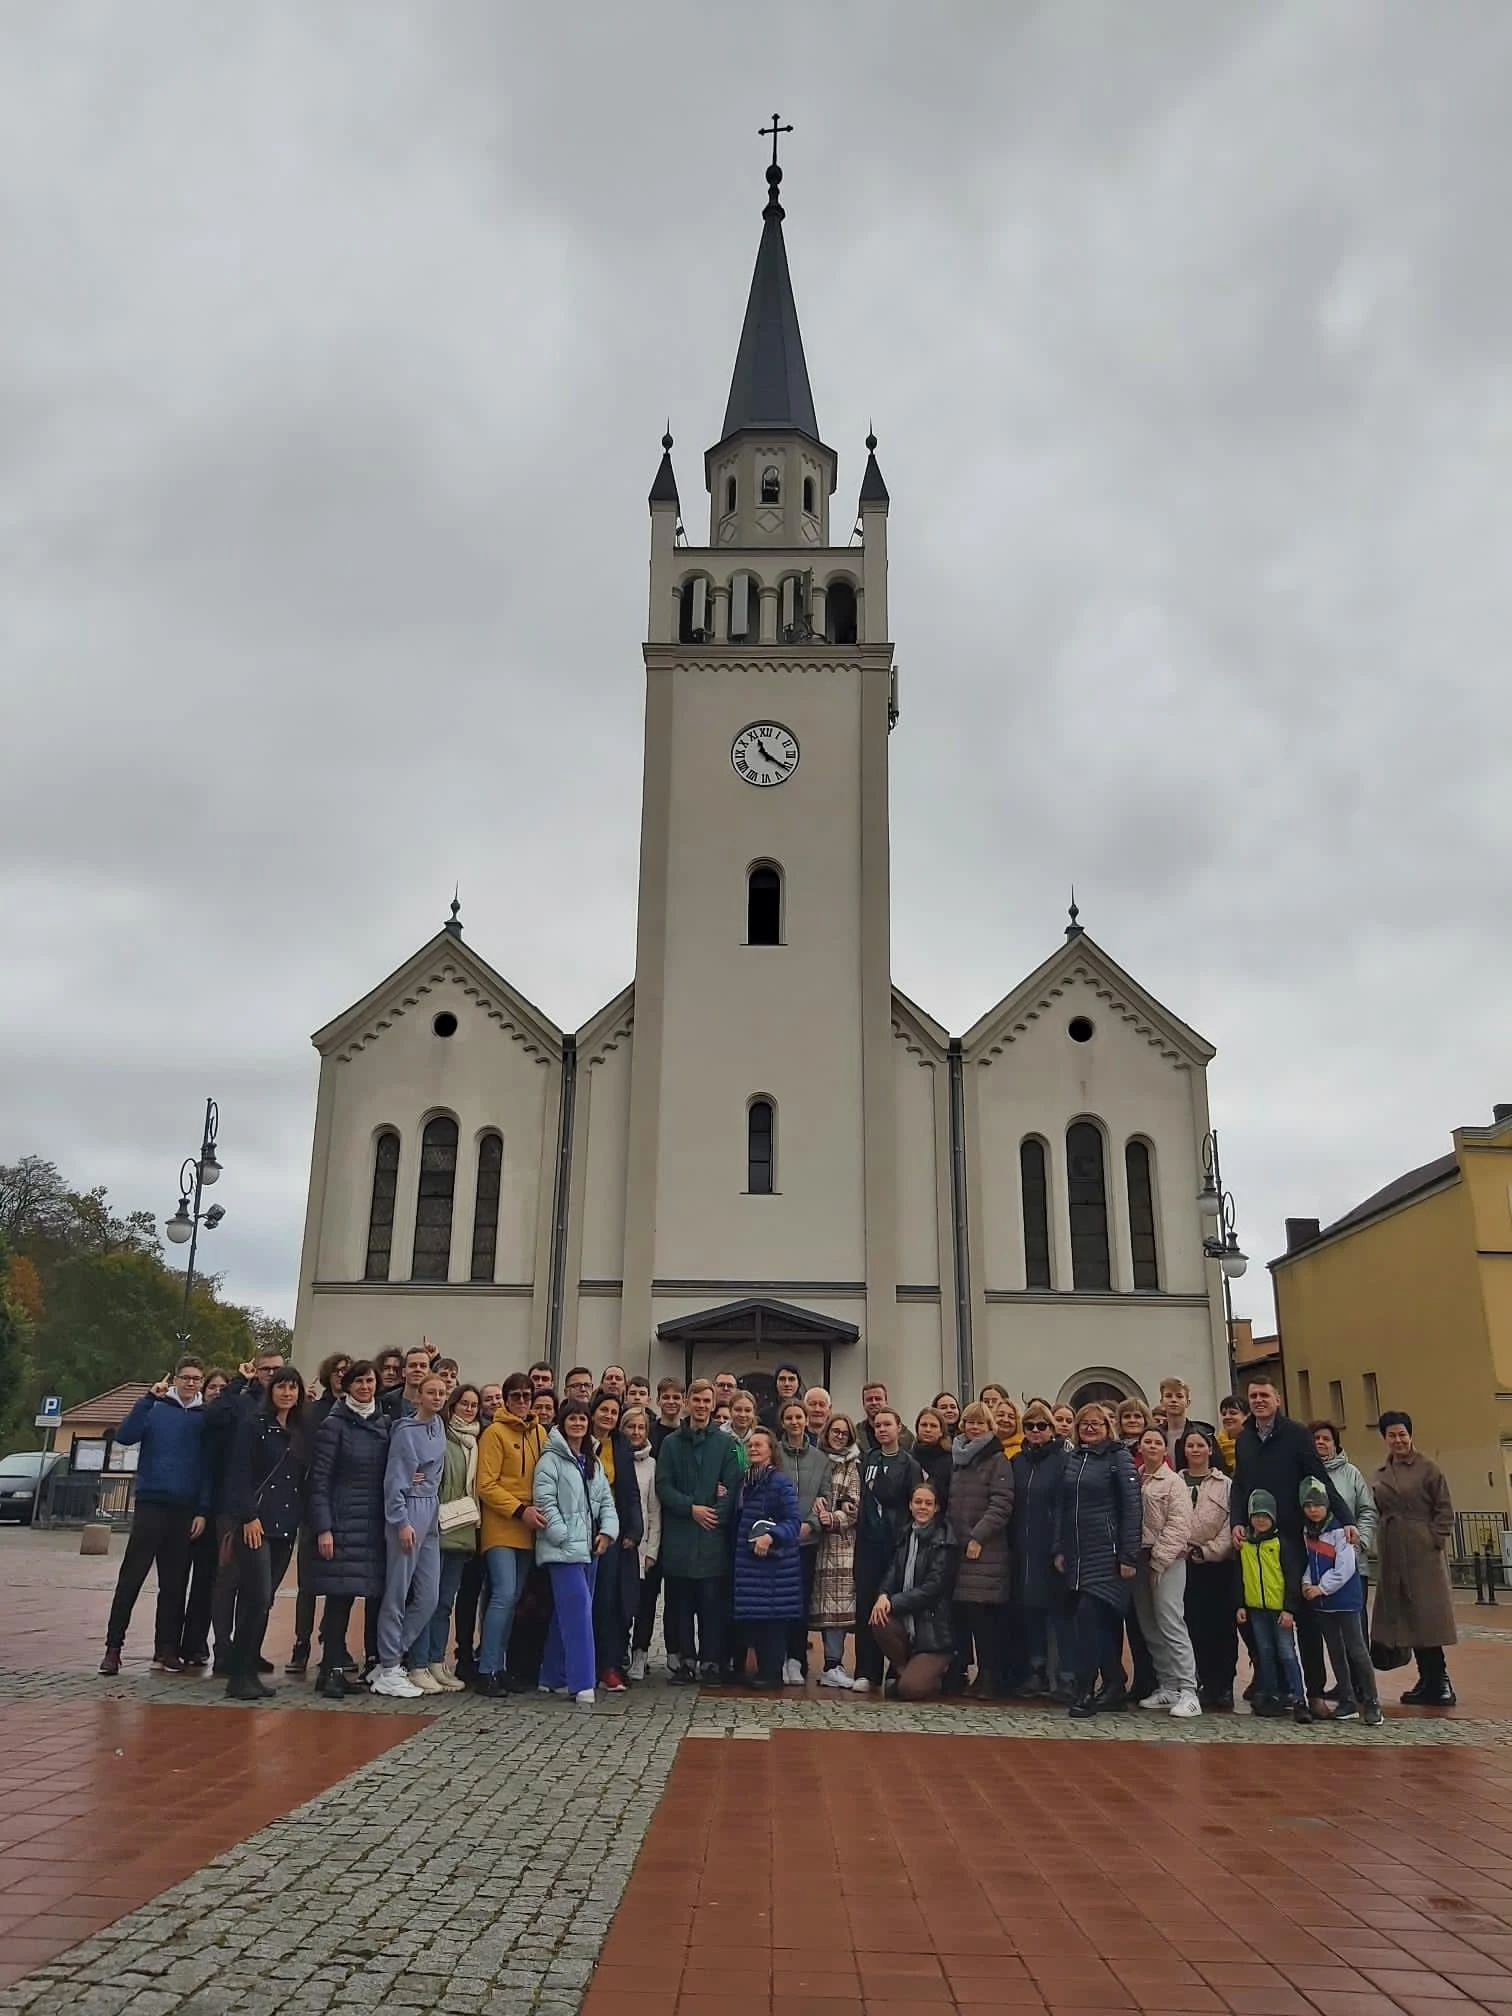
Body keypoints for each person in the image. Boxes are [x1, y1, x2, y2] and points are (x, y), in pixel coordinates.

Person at [1230, 1378, 1355, 1707]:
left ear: (1278, 1400)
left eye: (1264, 1396)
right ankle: (1277, 1688)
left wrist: (1346, 1520)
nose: (1258, 1401)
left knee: (1305, 1615)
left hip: (1294, 1537)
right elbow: (1240, 1485)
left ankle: (1314, 1692)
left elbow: (1320, 1478)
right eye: (1253, 1396)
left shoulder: (1296, 1434)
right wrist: (1237, 1522)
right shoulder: (1244, 1438)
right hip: (1259, 1541)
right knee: (1263, 1615)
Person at [99, 1359, 208, 1677]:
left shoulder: (204, 1417)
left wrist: (202, 1509)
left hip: (184, 1508)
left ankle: (167, 1648)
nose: (190, 1384)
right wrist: (147, 1399)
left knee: (174, 1585)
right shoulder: (156, 1407)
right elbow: (126, 1436)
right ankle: (113, 1648)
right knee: (131, 1578)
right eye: (185, 1378)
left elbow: (208, 1469)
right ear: (175, 1379)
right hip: (151, 1503)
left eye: (196, 1379)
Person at [222, 1367, 309, 1700]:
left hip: (285, 1526)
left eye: (293, 1388)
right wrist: (247, 1515)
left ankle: (248, 1671)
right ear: (271, 1391)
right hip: (256, 1523)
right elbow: (239, 1473)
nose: (287, 1393)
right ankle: (238, 1673)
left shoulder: (300, 1431)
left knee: (264, 1600)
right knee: (255, 1597)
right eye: (281, 1387)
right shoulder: (253, 1426)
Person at [306, 1358, 390, 1698]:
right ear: (348, 1386)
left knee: (364, 1595)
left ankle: (345, 1668)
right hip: (341, 1521)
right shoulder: (333, 1425)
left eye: (370, 1382)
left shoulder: (384, 1424)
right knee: (338, 1598)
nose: (365, 1387)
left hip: (371, 1522)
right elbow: (320, 1481)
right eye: (359, 1382)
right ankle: (330, 1670)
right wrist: (323, 1527)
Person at [1053, 1403, 1142, 1718]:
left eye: (1097, 1423)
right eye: (1084, 1424)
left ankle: (1084, 1690)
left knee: (1090, 1619)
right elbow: (1063, 1508)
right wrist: (1058, 1548)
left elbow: (1132, 1509)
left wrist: (1129, 1555)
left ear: (1108, 1426)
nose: (1090, 1428)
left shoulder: (1118, 1458)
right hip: (1078, 1553)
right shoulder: (1074, 1458)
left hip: (1108, 1553)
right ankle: (1114, 1683)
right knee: (1100, 1623)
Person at [533, 1393, 618, 1706]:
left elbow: (605, 1501)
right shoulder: (550, 1461)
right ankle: (582, 1682)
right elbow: (545, 1503)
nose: (579, 1423)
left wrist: (607, 1532)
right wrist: (563, 1536)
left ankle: (551, 1675)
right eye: (573, 1418)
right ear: (562, 1422)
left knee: (566, 1613)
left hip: (590, 1550)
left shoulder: (592, 1461)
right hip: (563, 1551)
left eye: (583, 1418)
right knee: (580, 1613)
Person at [656, 1378, 743, 1683]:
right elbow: (663, 1486)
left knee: (711, 1607)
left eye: (707, 1401)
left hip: (711, 1539)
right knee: (680, 1605)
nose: (702, 1406)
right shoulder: (670, 1443)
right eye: (697, 1400)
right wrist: (691, 1508)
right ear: (688, 1403)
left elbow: (733, 1486)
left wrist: (715, 1515)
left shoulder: (726, 1443)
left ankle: (711, 1661)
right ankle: (685, 1662)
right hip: (680, 1536)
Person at [371, 1369, 448, 1698]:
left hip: (432, 1511)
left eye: (442, 1393)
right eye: (431, 1392)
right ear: (417, 1396)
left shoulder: (438, 1425)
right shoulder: (405, 1431)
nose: (438, 1398)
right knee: (398, 1590)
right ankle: (388, 1665)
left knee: (429, 1596)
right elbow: (395, 1480)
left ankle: (393, 1653)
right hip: (409, 1510)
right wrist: (401, 1522)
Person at [1371, 1410, 1457, 1706]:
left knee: (1427, 1618)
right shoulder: (1381, 1472)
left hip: (1422, 1554)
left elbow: (1444, 1509)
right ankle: (1427, 1679)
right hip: (1394, 1552)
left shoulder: (1428, 1468)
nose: (1398, 1440)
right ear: (1384, 1438)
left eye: (1402, 1434)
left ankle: (1441, 1681)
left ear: (1411, 1435)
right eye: (1392, 1435)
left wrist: (1433, 1539)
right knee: (1409, 1618)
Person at [474, 1372, 547, 1697]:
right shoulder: (494, 1433)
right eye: (515, 1396)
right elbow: (486, 1484)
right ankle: (486, 1668)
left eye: (525, 1396)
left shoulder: (540, 1433)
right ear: (505, 1399)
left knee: (514, 1597)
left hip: (530, 1526)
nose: (521, 1401)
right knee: (502, 1594)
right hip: (503, 1523)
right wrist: (519, 1509)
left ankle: (500, 1665)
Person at [406, 1382, 481, 1693]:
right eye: (464, 1403)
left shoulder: (474, 1441)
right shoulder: (439, 1434)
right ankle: (418, 1663)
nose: (469, 1409)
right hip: (436, 1523)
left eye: (474, 1405)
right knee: (427, 1598)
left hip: (462, 1527)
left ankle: (437, 1660)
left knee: (444, 1602)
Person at [1300, 1477, 1382, 1726]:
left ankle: (1371, 1701)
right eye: (1308, 1505)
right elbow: (1309, 1562)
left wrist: (1320, 1588)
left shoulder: (1340, 1530)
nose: (1313, 1510)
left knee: (1357, 1650)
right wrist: (1306, 1583)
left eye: (1318, 1505)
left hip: (1344, 1600)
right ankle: (1346, 1699)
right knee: (1335, 1651)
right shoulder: (1308, 1531)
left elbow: (1345, 1567)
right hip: (1323, 1603)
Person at [853, 1409, 923, 1693]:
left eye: (887, 1425)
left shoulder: (909, 1464)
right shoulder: (867, 1459)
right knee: (866, 1606)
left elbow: (915, 1502)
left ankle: (896, 1667)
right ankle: (866, 1671)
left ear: (899, 1428)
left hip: (895, 1544)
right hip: (868, 1542)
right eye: (877, 1425)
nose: (882, 1429)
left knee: (894, 1607)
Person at [1132, 1427, 1200, 1718]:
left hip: (1166, 1560)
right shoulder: (1134, 1478)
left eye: (1157, 1442)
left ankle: (1189, 1690)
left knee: (1171, 1622)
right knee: (1149, 1624)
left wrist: (1159, 1560)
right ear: (1139, 1446)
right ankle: (1168, 1685)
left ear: (1164, 1449)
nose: (1151, 1446)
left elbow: (1179, 1525)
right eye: (1147, 1441)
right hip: (1138, 1558)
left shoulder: (1174, 1482)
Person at [947, 1402, 1013, 1697]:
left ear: (990, 1428)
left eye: (980, 1424)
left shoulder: (997, 1459)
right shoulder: (960, 1457)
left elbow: (1001, 1504)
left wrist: (977, 1537)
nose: (974, 1428)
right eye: (970, 1422)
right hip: (960, 1547)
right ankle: (978, 1675)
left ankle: (991, 1676)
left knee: (985, 1618)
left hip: (985, 1550)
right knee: (970, 1617)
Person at [869, 1480, 958, 1700]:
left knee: (910, 1691)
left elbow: (932, 1589)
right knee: (879, 1617)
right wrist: (882, 1595)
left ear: (936, 1508)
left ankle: (932, 1673)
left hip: (934, 1634)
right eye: (918, 1502)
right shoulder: (905, 1535)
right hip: (908, 1625)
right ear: (910, 1505)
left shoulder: (943, 1542)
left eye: (928, 1503)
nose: (922, 1507)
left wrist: (894, 1602)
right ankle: (905, 1670)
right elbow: (891, 1574)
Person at [732, 1425, 804, 1688]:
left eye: (759, 1445)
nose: (753, 1448)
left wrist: (772, 1536)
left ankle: (771, 1674)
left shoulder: (779, 1482)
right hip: (750, 1564)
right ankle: (759, 1671)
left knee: (772, 1623)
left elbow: (794, 1521)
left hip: (774, 1567)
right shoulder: (745, 1481)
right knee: (756, 1621)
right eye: (750, 1445)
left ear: (771, 1452)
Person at [1010, 1401, 1070, 1699]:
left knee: (1057, 1612)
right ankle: (1036, 1670)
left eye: (1041, 1426)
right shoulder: (1018, 1462)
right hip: (1023, 1545)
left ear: (1051, 1429)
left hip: (1051, 1546)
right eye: (1030, 1426)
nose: (1035, 1431)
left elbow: (1064, 1506)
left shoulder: (1062, 1460)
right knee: (1030, 1609)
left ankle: (1062, 1675)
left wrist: (1060, 1546)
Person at [1236, 1488, 1308, 1721]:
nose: (1260, 1520)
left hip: (1280, 1610)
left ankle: (1299, 1697)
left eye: (1265, 1516)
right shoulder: (1245, 1545)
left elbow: (1291, 1577)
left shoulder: (1281, 1544)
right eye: (1256, 1515)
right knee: (1264, 1653)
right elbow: (1240, 1577)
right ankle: (1270, 1695)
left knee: (1287, 1653)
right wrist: (1241, 1604)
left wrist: (1289, 1608)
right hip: (1256, 1609)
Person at [588, 1390, 642, 1694]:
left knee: (611, 1602)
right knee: (586, 1601)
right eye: (603, 1411)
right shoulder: (581, 1442)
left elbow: (631, 1491)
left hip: (613, 1531)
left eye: (613, 1412)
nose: (608, 1416)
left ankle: (608, 1665)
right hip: (580, 1529)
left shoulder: (620, 1446)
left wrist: (634, 1531)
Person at [1179, 1428, 1237, 1711]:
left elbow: (1230, 1523)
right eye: (1190, 1445)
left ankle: (1224, 1683)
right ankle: (1201, 1680)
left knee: (1221, 1627)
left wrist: (1209, 1551)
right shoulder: (1176, 1481)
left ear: (1210, 1449)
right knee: (1194, 1625)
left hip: (1217, 1566)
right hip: (1183, 1564)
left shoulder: (1224, 1484)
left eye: (1200, 1445)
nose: (1195, 1450)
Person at [776, 1399, 828, 1683]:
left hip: (807, 1542)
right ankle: (779, 1656)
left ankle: (797, 1658)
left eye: (800, 1417)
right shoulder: (774, 1455)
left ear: (807, 1421)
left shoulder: (820, 1459)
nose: (795, 1422)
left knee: (800, 1601)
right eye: (790, 1418)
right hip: (779, 1540)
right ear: (783, 1422)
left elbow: (826, 1495)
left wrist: (811, 1525)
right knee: (779, 1601)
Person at [812, 1412, 861, 1687]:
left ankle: (833, 1662)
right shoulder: (816, 1460)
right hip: (811, 1539)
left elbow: (854, 1505)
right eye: (835, 1431)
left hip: (840, 1543)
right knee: (812, 1603)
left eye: (844, 1433)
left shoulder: (852, 1466)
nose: (839, 1436)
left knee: (837, 1607)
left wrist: (833, 1517)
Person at [624, 1406, 663, 1681]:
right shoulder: (612, 1457)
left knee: (645, 1602)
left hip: (644, 1544)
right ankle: (619, 1651)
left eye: (641, 1428)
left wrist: (652, 1550)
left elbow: (654, 1511)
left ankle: (640, 1651)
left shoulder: (651, 1465)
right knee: (620, 1604)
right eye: (631, 1427)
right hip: (619, 1543)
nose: (636, 1432)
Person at [1158, 1378, 1214, 1467]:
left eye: (1179, 1396)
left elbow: (1217, 1467)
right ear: (1161, 1402)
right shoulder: (1156, 1434)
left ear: (1188, 1402)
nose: (1174, 1400)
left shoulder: (1203, 1433)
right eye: (1168, 1396)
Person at [912, 1408, 953, 1508]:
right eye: (924, 1425)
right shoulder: (908, 1458)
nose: (928, 1429)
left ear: (941, 1432)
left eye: (933, 1426)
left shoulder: (950, 1460)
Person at [381, 1345, 434, 1422]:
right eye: (412, 1365)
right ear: (403, 1372)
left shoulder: (436, 1403)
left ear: (429, 1373)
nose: (418, 1369)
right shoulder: (385, 1402)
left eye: (423, 1366)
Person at [858, 1383, 914, 1454]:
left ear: (886, 1402)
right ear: (863, 1404)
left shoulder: (907, 1436)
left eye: (878, 1399)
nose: (874, 1402)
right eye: (869, 1399)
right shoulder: (856, 1435)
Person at [727, 1389, 760, 1471]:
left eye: (748, 1410)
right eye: (738, 1410)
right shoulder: (718, 1438)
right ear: (730, 1411)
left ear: (754, 1413)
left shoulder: (761, 1439)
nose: (742, 1414)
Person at [1216, 1395, 1247, 1476]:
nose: (1227, 1417)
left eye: (1233, 1413)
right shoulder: (1215, 1445)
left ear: (1247, 1416)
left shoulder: (1256, 1442)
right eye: (1224, 1414)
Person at [651, 1378, 684, 1453]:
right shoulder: (648, 1433)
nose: (671, 1401)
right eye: (666, 1397)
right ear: (658, 1401)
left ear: (684, 1402)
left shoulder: (690, 1432)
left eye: (676, 1397)